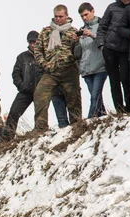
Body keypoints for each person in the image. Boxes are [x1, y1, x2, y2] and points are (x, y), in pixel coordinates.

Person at [33, 4, 82, 132]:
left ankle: (77, 125)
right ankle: (40, 127)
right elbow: (37, 51)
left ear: (67, 15)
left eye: (61, 16)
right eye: (56, 16)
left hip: (69, 70)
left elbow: (78, 53)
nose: (58, 19)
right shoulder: (45, 31)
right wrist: (45, 64)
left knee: (73, 98)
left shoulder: (74, 32)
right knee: (40, 93)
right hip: (51, 71)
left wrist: (77, 42)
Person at [3, 30, 43, 139]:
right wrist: (21, 86)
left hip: (41, 91)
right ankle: (6, 140)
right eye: (31, 42)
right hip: (25, 91)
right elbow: (15, 73)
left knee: (40, 115)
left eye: (35, 42)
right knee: (14, 113)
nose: (33, 44)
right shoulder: (22, 57)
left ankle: (40, 136)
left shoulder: (44, 55)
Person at [97, 0, 130, 113]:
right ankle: (119, 109)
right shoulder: (112, 7)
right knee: (114, 81)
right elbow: (102, 26)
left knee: (126, 78)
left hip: (126, 49)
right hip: (109, 48)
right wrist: (101, 45)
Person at [75, 2, 108, 118]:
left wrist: (93, 35)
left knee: (94, 96)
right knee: (97, 97)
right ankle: (102, 117)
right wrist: (76, 42)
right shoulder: (81, 29)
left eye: (86, 14)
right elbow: (77, 54)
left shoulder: (102, 25)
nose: (84, 18)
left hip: (100, 67)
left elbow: (107, 42)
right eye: (82, 16)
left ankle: (89, 120)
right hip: (86, 70)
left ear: (93, 11)